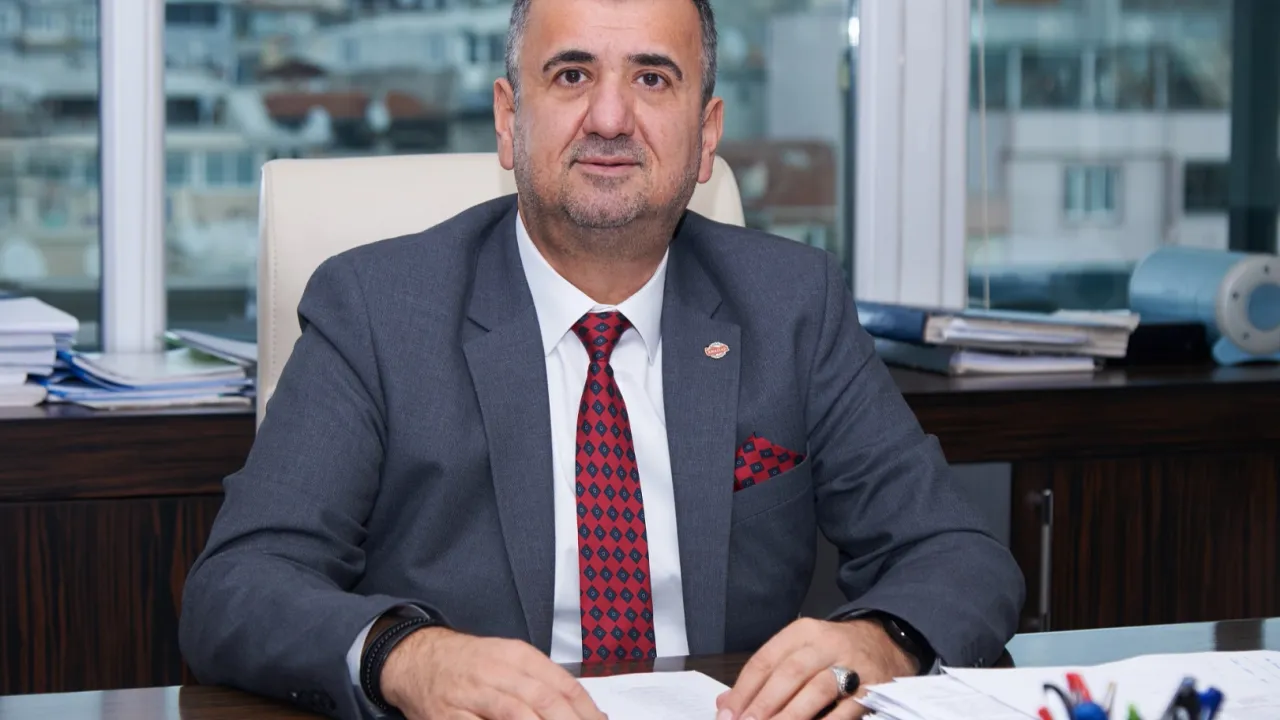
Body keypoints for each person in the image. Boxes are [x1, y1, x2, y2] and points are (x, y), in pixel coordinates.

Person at [179, 0, 1024, 717]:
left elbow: (960, 555)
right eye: (572, 75)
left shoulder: (791, 304)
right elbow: (238, 586)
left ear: (706, 135)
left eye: (652, 79)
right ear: (509, 119)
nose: (611, 119)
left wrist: (881, 641)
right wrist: (408, 657)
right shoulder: (377, 308)